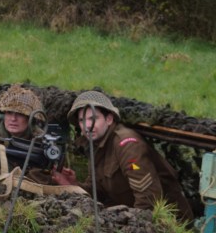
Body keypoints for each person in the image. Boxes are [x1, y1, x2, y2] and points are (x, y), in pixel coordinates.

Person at [52, 91, 193, 223]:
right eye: (82, 120)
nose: (87, 125)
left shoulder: (127, 145)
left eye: (93, 118)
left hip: (170, 224)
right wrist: (73, 185)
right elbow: (98, 193)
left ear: (109, 119)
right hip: (131, 214)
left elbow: (149, 199)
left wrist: (130, 229)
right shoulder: (95, 145)